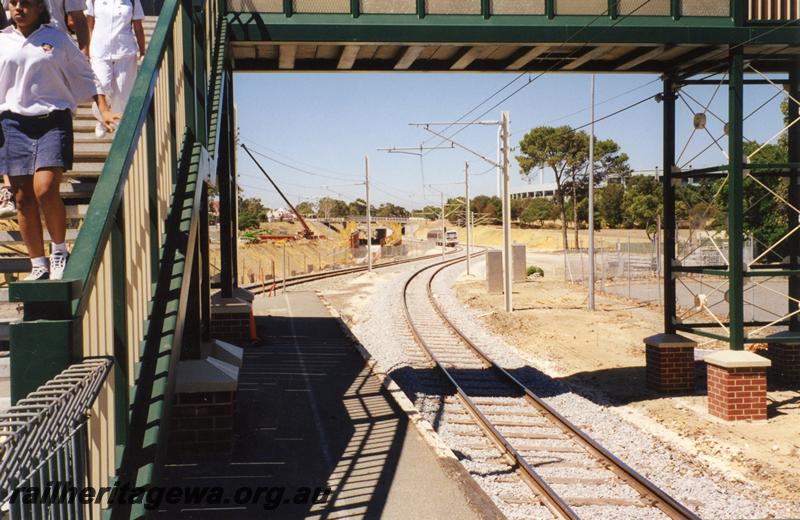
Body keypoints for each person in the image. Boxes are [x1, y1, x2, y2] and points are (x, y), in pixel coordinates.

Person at [0, 0, 119, 280]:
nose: (19, 8)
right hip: (12, 124)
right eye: (14, 3)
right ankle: (37, 262)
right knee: (22, 198)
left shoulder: (57, 39)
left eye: (26, 3)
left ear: (41, 8)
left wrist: (102, 109)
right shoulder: (3, 40)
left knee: (44, 188)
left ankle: (58, 249)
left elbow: (87, 75)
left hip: (53, 121)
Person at [87, 0, 146, 138]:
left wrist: (142, 51)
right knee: (101, 86)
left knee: (122, 93)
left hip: (125, 52)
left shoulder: (132, 1)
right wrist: (89, 49)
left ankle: (119, 127)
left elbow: (138, 27)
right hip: (99, 51)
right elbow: (89, 25)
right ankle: (102, 117)